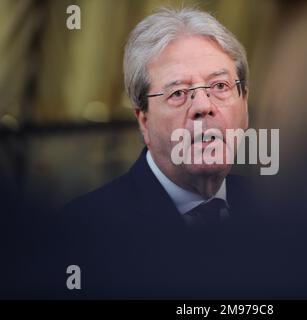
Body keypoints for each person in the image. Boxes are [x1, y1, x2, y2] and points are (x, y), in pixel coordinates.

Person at [53, 7, 265, 299]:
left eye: (219, 86)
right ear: (144, 120)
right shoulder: (83, 231)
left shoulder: (276, 211)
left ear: (245, 104)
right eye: (177, 93)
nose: (203, 106)